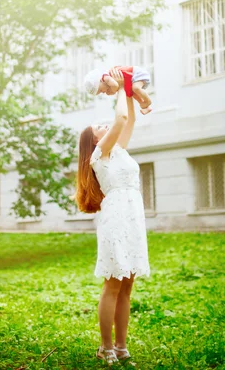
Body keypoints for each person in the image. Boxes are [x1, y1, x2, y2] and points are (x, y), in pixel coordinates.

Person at [76, 68, 150, 366]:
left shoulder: (118, 150)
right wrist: (120, 87)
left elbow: (128, 119)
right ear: (93, 141)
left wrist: (129, 88)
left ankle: (121, 347)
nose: (105, 125)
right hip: (117, 218)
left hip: (133, 216)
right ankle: (105, 347)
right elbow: (119, 119)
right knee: (113, 284)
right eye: (98, 126)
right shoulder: (99, 155)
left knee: (127, 284)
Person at [84, 65, 152, 115]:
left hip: (137, 75)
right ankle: (146, 107)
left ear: (100, 81)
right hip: (131, 81)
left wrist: (112, 92)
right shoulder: (107, 82)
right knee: (134, 94)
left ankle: (148, 101)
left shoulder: (106, 77)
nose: (104, 92)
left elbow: (115, 85)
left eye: (101, 90)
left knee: (136, 88)